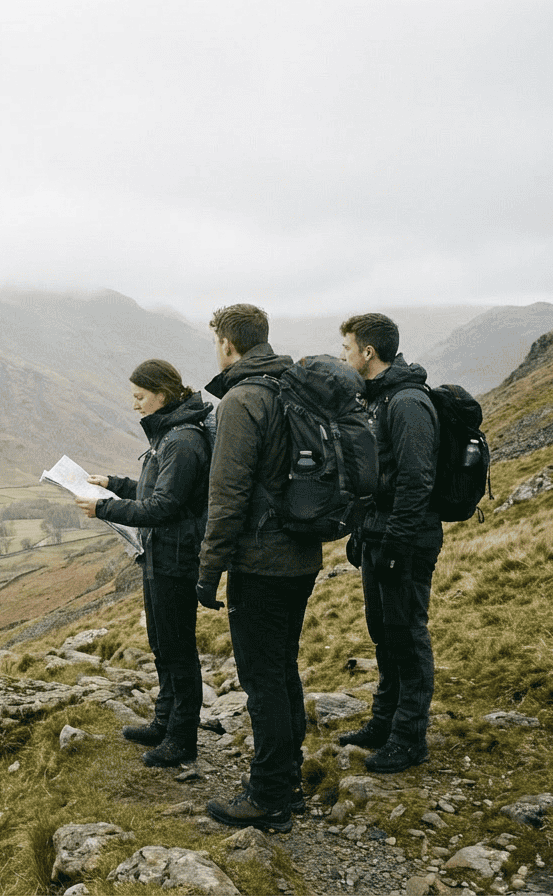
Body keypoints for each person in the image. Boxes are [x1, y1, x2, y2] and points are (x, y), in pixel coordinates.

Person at [198, 304, 322, 834]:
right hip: (301, 553)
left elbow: (227, 495)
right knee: (282, 669)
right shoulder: (293, 388)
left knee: (264, 678)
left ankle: (269, 795)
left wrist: (209, 570)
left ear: (228, 344)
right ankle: (286, 782)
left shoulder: (242, 400)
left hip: (261, 561)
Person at [75, 359, 214, 767]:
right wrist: (114, 484)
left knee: (177, 649)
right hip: (159, 555)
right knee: (161, 645)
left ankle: (182, 738)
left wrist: (105, 508)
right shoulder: (170, 434)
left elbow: (164, 505)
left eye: (139, 397)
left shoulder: (183, 441)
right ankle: (164, 721)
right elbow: (157, 488)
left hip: (177, 558)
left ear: (162, 395)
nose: (134, 405)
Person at [337, 313, 441, 774]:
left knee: (407, 637)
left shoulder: (407, 403)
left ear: (368, 353)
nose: (343, 357)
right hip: (381, 537)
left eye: (346, 349)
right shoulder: (378, 400)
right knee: (384, 634)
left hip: (407, 541)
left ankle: (409, 738)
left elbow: (417, 480)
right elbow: (380, 478)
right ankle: (385, 722)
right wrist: (363, 531)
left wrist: (397, 541)